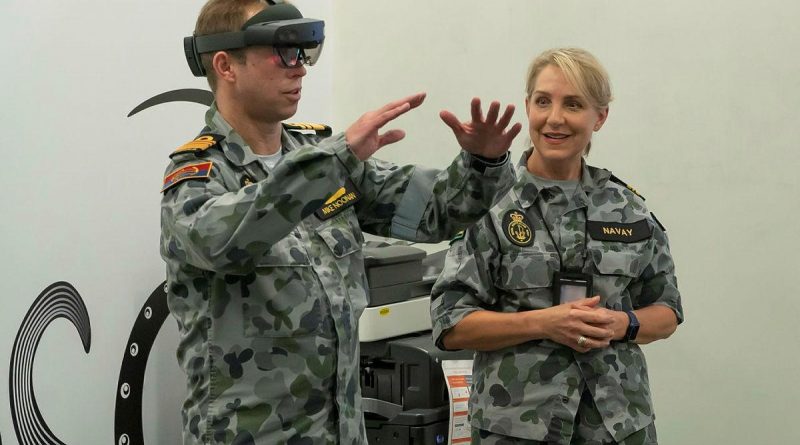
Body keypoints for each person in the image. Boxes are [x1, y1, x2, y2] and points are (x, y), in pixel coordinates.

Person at [160, 0, 522, 444]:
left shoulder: (324, 160)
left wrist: (484, 162)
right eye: (283, 52)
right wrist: (335, 159)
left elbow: (435, 213)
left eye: (305, 53)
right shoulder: (197, 179)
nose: (300, 69)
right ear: (226, 65)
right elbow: (227, 239)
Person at [430, 47, 683, 445]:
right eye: (543, 101)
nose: (555, 118)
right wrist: (543, 323)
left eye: (574, 104)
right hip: (516, 429)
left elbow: (667, 311)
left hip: (618, 425)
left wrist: (625, 323)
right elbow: (450, 324)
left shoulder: (627, 207)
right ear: (527, 106)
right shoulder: (490, 204)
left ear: (599, 117)